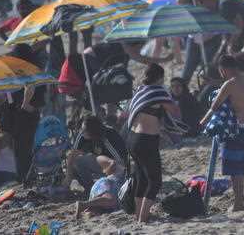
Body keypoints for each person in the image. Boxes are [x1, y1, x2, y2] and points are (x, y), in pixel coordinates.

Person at [200, 53, 244, 211]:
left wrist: (202, 122)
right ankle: (239, 200)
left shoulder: (229, 84)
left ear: (222, 69)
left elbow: (214, 107)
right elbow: (234, 86)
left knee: (234, 168)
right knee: (240, 165)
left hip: (237, 129)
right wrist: (216, 82)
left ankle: (238, 203)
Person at [127, 64, 182, 223]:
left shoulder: (140, 90)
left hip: (133, 139)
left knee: (142, 179)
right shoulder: (159, 91)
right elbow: (174, 111)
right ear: (159, 77)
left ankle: (138, 215)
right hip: (146, 140)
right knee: (155, 181)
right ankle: (143, 218)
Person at [65, 115, 128, 195]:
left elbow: (120, 162)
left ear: (92, 130)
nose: (81, 132)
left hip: (116, 168)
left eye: (84, 130)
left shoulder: (108, 135)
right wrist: (67, 179)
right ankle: (90, 188)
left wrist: (108, 174)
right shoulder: (83, 135)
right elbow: (72, 155)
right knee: (78, 161)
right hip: (102, 167)